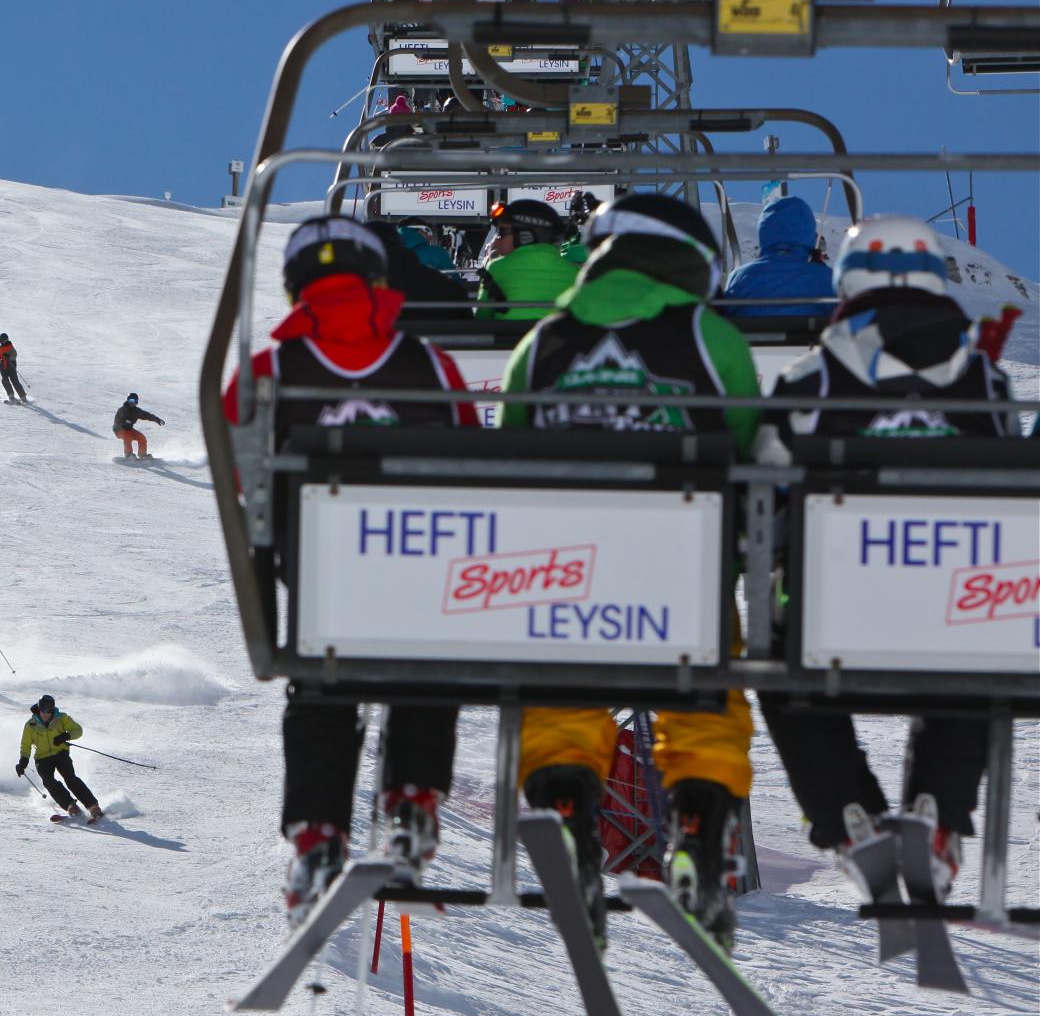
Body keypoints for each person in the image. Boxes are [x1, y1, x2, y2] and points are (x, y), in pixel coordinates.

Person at [498, 193, 761, 952]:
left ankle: (570, 806)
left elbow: (511, 449)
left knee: (561, 686)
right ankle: (701, 829)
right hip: (682, 558)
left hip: (567, 563)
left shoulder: (544, 345)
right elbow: (746, 438)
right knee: (706, 685)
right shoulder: (712, 339)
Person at [219, 216, 481, 921]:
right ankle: (412, 803)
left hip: (323, 571)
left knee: (320, 691)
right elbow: (472, 450)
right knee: (426, 671)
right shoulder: (425, 363)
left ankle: (316, 834)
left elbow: (236, 455)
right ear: (377, 280)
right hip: (418, 565)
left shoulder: (273, 369)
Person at [756, 216, 1022, 898]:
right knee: (973, 648)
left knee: (782, 660)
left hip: (834, 611)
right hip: (953, 605)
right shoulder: (984, 383)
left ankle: (848, 813)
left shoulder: (812, 377)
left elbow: (766, 486)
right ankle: (941, 807)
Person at [722, 193, 834, 319]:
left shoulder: (740, 277)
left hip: (750, 338)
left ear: (764, 232)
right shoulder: (827, 279)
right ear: (809, 235)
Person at [476, 199, 579, 321]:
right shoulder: (577, 274)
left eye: (502, 232)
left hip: (507, 339)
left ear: (525, 237)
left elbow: (481, 317)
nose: (496, 240)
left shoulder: (495, 269)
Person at [16, 694, 104, 822]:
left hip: (60, 754)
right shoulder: (31, 725)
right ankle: (70, 805)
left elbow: (78, 730)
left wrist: (66, 736)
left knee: (70, 779)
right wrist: (23, 761)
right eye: (43, 710)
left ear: (53, 709)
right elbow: (25, 745)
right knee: (49, 782)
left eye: (49, 711)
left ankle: (92, 806)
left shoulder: (62, 718)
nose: (46, 714)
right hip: (42, 758)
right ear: (39, 709)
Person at [112, 393, 164, 459]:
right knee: (128, 436)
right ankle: (128, 454)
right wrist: (123, 424)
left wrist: (158, 420)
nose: (131, 402)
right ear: (127, 401)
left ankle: (142, 454)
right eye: (130, 400)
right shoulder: (122, 410)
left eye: (133, 400)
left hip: (128, 430)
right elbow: (116, 421)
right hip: (119, 430)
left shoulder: (136, 411)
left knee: (141, 437)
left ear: (136, 401)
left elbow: (148, 415)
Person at [0, 332, 28, 402]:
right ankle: (11, 395)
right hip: (3, 366)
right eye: (0, 340)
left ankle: (23, 397)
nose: (2, 342)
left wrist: (9, 357)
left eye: (3, 340)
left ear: (7, 340)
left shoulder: (10, 346)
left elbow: (14, 354)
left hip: (11, 364)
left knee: (14, 380)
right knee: (4, 380)